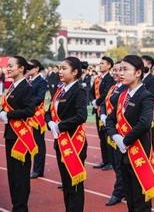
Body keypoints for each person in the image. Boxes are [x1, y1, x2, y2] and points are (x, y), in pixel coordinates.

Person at [106, 55, 154, 212]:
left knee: (141, 203)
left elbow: (145, 123)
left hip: (139, 154)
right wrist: (116, 137)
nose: (121, 73)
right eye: (120, 69)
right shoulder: (120, 96)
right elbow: (110, 120)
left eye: (125, 69)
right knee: (130, 200)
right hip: (123, 155)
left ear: (138, 73)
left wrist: (126, 140)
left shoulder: (145, 95)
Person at [46, 57, 88, 212]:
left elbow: (81, 116)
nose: (60, 71)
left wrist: (60, 126)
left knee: (74, 185)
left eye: (64, 68)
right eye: (59, 68)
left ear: (75, 71)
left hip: (73, 142)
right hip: (60, 142)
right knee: (66, 184)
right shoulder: (59, 90)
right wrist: (50, 123)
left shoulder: (79, 91)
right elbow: (48, 111)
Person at [1, 56, 36, 212]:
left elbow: (30, 111)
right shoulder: (12, 87)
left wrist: (8, 115)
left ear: (21, 68)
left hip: (21, 137)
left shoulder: (26, 87)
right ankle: (17, 206)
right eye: (7, 66)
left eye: (11, 66)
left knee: (20, 176)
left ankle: (21, 208)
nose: (8, 69)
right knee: (12, 176)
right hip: (10, 135)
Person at [99, 61, 128, 206]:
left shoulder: (126, 88)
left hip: (121, 131)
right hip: (109, 128)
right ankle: (122, 189)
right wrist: (103, 114)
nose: (117, 73)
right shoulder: (112, 87)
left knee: (121, 164)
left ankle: (119, 192)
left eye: (120, 70)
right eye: (115, 70)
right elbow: (104, 103)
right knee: (116, 163)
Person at [92, 56, 115, 170]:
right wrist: (93, 101)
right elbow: (92, 92)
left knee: (107, 136)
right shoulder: (97, 79)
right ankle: (105, 160)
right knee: (101, 137)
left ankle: (110, 161)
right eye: (100, 63)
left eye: (102, 63)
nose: (100, 65)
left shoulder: (110, 79)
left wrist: (97, 101)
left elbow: (106, 93)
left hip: (106, 110)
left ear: (109, 65)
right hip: (98, 110)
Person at [26, 59, 48, 179]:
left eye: (30, 67)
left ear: (37, 69)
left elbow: (39, 98)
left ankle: (38, 169)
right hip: (29, 115)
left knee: (39, 143)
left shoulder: (41, 81)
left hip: (37, 116)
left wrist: (26, 104)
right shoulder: (29, 80)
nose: (28, 69)